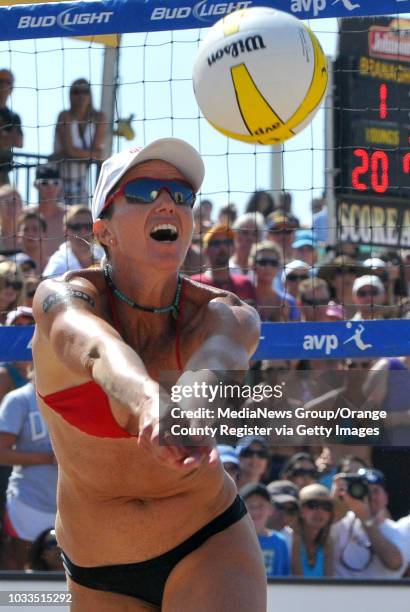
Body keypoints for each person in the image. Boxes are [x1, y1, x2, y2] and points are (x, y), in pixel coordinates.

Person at [32, 137, 266, 611]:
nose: (167, 201)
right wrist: (149, 403)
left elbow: (217, 363)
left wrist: (188, 415)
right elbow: (100, 349)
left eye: (181, 195)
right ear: (104, 231)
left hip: (207, 539)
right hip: (98, 572)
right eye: (142, 191)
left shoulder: (225, 313)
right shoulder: (62, 299)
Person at [0, 380, 57, 570]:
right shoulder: (19, 399)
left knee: (67, 572)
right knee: (22, 568)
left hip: (72, 505)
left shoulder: (80, 398)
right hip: (28, 503)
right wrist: (49, 458)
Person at [330, 469, 406, 578]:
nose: (370, 496)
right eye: (364, 490)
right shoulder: (340, 522)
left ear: (386, 498)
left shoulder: (397, 530)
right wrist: (335, 501)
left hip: (377, 594)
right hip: (337, 593)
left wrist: (366, 519)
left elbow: (395, 563)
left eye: (375, 491)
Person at [53, 78, 106, 205]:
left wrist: (82, 154)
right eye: (76, 92)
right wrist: (90, 154)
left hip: (81, 180)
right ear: (70, 96)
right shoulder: (64, 116)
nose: (81, 96)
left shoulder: (99, 117)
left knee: (80, 220)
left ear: (90, 95)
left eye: (85, 91)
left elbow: (97, 153)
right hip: (57, 179)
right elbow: (70, 150)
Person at [190, 224, 257, 305]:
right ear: (206, 250)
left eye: (227, 242)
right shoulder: (194, 284)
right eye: (216, 243)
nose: (222, 247)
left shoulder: (245, 284)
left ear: (233, 248)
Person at [240, 483, 290, 578]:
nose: (255, 511)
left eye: (260, 506)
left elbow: (285, 576)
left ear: (271, 509)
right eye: (250, 506)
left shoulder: (280, 541)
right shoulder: (234, 541)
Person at [42, 205, 103, 278]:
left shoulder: (104, 255)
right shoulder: (58, 264)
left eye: (88, 226)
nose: (83, 232)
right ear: (66, 231)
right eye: (76, 227)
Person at [291, 484, 334, 577]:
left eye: (326, 506)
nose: (320, 511)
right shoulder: (292, 540)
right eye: (313, 505)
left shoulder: (328, 544)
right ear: (300, 510)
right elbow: (298, 584)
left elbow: (329, 585)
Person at [0, 69, 23, 186]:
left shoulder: (14, 116)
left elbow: (19, 142)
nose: (3, 85)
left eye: (7, 82)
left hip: (4, 172)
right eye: (0, 81)